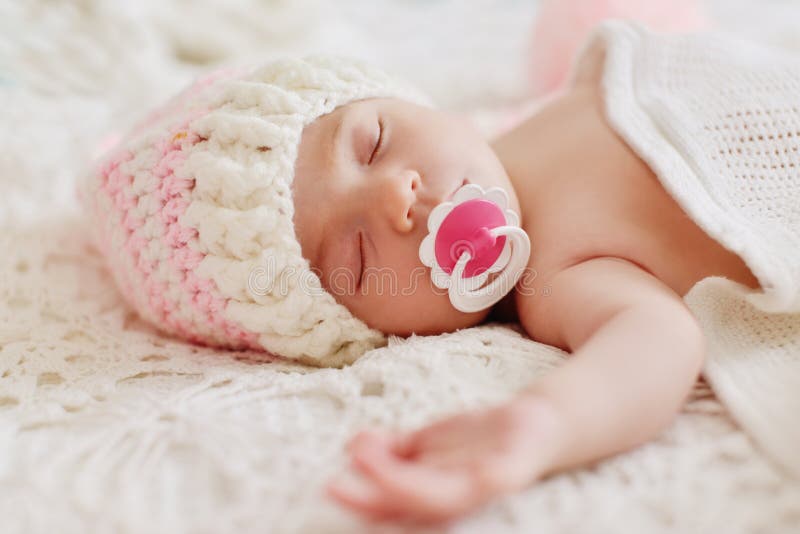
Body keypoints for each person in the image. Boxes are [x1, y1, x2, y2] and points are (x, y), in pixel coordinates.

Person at [81, 18, 800, 527]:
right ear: (360, 330)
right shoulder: (557, 277)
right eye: (357, 258)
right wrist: (545, 424)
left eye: (373, 141)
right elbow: (658, 342)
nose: (395, 197)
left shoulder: (548, 105)